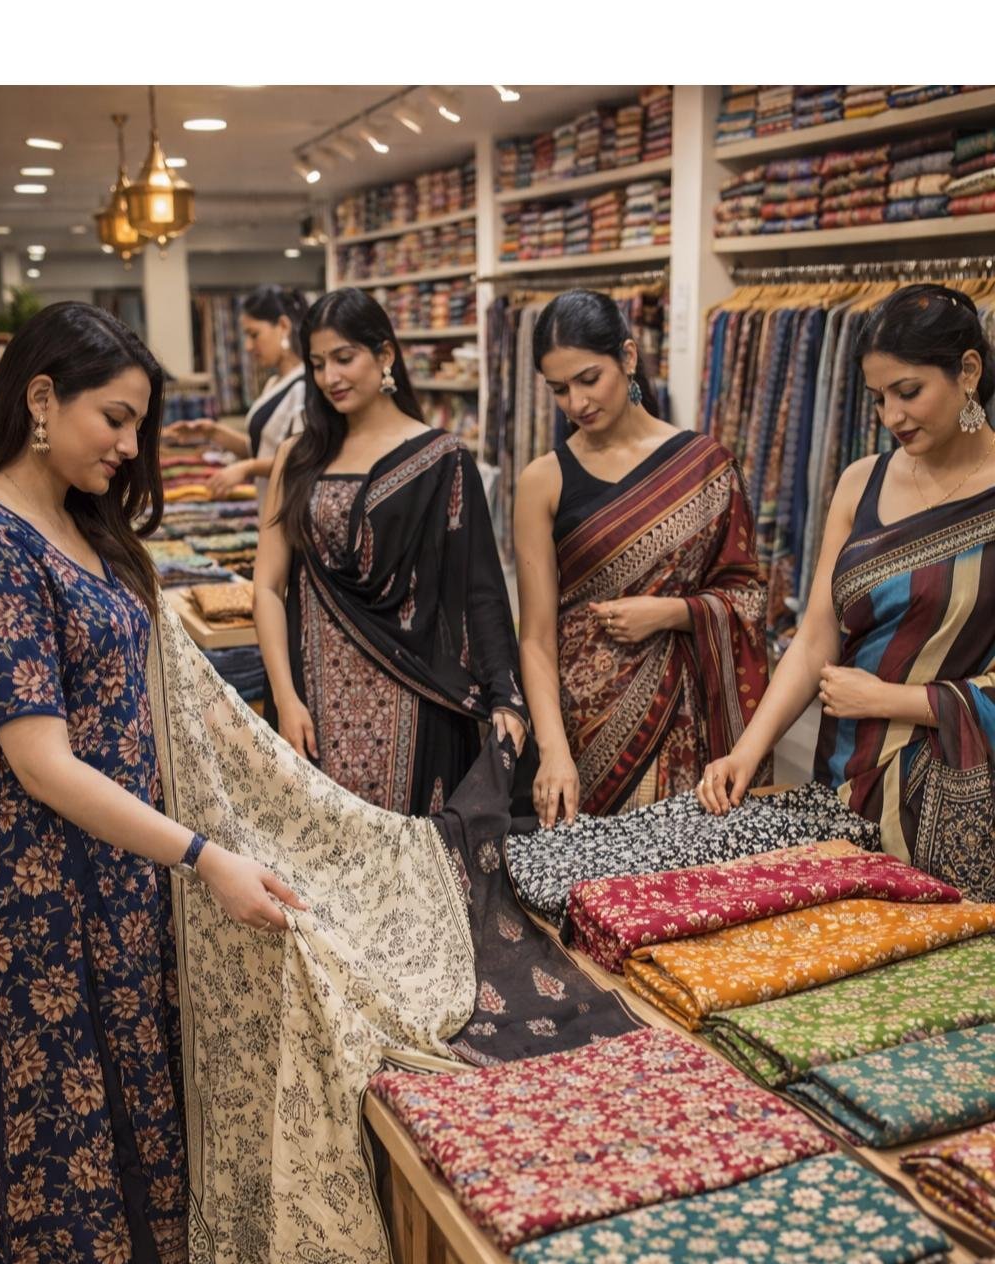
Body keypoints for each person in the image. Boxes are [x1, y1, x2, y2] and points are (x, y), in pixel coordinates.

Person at [0, 301, 305, 1264]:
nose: (128, 446)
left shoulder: (78, 521)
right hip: (42, 872)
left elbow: (154, 690)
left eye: (136, 427)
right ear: (38, 399)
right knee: (61, 1079)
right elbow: (40, 761)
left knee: (135, 1061)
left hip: (122, 858)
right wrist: (202, 854)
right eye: (113, 419)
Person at [697, 283, 995, 902]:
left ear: (968, 370)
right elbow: (815, 640)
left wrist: (892, 698)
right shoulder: (863, 481)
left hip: (951, 804)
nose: (892, 417)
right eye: (879, 398)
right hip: (841, 779)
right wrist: (747, 753)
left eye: (908, 392)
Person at [254, 286, 526, 814]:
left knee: (406, 867)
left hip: (415, 695)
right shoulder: (299, 455)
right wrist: (285, 700)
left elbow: (479, 590)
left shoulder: (441, 459)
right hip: (314, 700)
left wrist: (504, 695)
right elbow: (267, 586)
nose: (330, 377)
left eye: (344, 358)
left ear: (384, 355)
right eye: (317, 363)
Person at [514, 288, 768, 828]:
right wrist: (553, 748)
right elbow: (536, 635)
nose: (577, 403)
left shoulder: (705, 465)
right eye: (559, 389)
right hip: (583, 728)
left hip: (687, 722)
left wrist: (673, 613)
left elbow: (747, 595)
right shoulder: (543, 480)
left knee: (677, 893)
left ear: (627, 358)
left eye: (589, 379)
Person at [163, 285, 308, 505]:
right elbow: (260, 448)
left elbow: (302, 460)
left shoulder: (305, 387)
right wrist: (212, 432)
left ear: (283, 326)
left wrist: (247, 468)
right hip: (270, 506)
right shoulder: (274, 383)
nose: (248, 346)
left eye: (254, 334)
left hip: (291, 508)